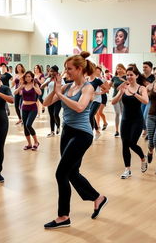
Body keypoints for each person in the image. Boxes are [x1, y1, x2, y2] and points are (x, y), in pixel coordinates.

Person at [43, 51, 108, 229]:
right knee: (72, 173)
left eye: (69, 69)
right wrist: (55, 89)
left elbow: (80, 107)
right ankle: (97, 198)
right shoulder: (66, 86)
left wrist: (60, 95)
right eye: (66, 69)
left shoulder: (88, 88)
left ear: (79, 69)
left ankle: (63, 216)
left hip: (82, 134)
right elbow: (46, 103)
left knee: (61, 173)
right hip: (67, 132)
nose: (67, 72)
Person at [112, 66, 149, 179]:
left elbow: (146, 101)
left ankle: (143, 158)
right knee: (125, 144)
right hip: (125, 120)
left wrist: (134, 93)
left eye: (131, 75)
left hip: (137, 120)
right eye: (127, 75)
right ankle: (127, 169)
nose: (129, 77)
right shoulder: (124, 87)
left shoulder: (141, 88)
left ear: (136, 76)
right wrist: (121, 92)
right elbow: (113, 102)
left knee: (132, 143)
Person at [14, 71, 41, 151]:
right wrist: (20, 87)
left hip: (33, 107)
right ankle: (29, 144)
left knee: (28, 125)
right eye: (26, 77)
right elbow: (15, 93)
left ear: (32, 77)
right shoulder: (23, 85)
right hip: (24, 107)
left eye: (29, 76)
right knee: (25, 127)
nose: (27, 78)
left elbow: (39, 93)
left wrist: (34, 87)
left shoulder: (35, 84)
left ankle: (36, 142)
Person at [41, 65, 62, 137]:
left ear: (56, 72)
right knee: (51, 116)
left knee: (55, 114)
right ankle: (52, 131)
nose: (51, 72)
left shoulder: (60, 79)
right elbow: (41, 87)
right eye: (50, 71)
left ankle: (58, 126)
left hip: (57, 99)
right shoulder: (48, 79)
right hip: (50, 99)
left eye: (53, 71)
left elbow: (63, 87)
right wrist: (48, 81)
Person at [109, 64, 127, 137]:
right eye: (117, 69)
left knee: (123, 113)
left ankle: (124, 129)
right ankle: (116, 131)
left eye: (120, 69)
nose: (118, 70)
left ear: (123, 69)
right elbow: (109, 86)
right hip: (115, 97)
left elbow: (130, 84)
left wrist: (124, 81)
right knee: (117, 113)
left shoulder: (126, 77)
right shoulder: (114, 78)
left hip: (124, 97)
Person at [141, 61, 155, 138]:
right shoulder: (140, 77)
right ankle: (145, 129)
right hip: (142, 98)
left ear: (151, 68)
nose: (144, 69)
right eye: (143, 67)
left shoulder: (154, 77)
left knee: (146, 114)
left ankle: (148, 131)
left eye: (146, 67)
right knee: (142, 114)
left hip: (151, 99)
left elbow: (155, 88)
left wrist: (148, 85)